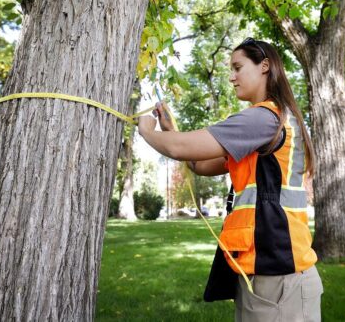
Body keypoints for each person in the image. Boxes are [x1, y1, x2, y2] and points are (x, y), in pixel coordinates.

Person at [138, 38, 323, 322]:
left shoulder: (263, 119)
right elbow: (199, 163)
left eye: (238, 67)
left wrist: (149, 133)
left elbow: (179, 148)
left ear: (264, 66)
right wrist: (170, 128)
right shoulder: (269, 122)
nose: (231, 77)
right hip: (268, 273)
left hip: (279, 280)